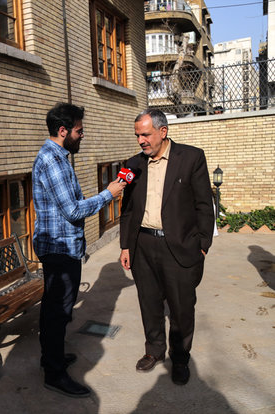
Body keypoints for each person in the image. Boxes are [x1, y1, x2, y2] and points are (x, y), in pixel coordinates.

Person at [32, 103, 126, 398]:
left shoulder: (60, 157)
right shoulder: (52, 161)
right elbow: (72, 210)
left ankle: (53, 358)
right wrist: (107, 194)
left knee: (57, 310)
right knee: (57, 312)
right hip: (59, 250)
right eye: (79, 131)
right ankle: (54, 373)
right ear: (63, 131)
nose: (82, 136)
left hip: (63, 248)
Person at [119, 108, 214, 386]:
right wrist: (126, 245)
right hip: (143, 245)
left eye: (145, 134)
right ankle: (154, 351)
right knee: (149, 302)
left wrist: (203, 246)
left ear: (163, 131)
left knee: (182, 307)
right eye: (137, 135)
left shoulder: (191, 158)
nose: (140, 140)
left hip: (180, 246)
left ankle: (181, 359)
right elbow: (126, 209)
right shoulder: (132, 163)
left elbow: (204, 205)